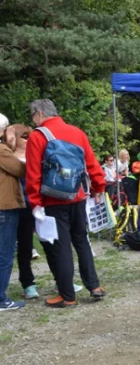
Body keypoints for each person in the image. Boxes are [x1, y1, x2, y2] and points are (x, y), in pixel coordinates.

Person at [26, 99, 108, 307]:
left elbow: (33, 173)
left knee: (61, 246)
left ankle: (67, 295)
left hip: (53, 198)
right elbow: (91, 163)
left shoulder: (37, 136)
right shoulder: (76, 132)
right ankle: (94, 285)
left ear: (39, 114)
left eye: (33, 116)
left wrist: (35, 202)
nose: (33, 120)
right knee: (81, 240)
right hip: (77, 195)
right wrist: (99, 187)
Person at [5, 123, 39, 300]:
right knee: (25, 247)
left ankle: (61, 280)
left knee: (53, 244)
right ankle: (28, 283)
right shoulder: (8, 157)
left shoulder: (36, 155)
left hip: (40, 205)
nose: (29, 139)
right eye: (25, 137)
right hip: (22, 207)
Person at [0, 113, 26, 312]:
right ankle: (1, 299)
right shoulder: (1, 151)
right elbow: (21, 169)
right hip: (5, 208)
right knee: (5, 254)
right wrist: (18, 149)